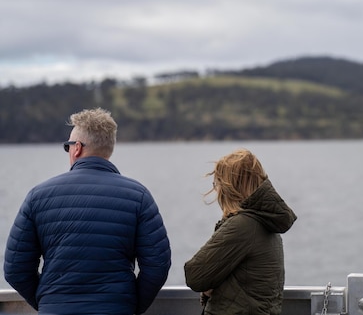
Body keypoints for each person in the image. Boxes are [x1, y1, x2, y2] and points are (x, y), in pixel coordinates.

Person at [4, 107, 171, 315]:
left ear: (77, 148)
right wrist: (131, 305)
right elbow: (158, 266)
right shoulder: (138, 196)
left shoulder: (38, 196)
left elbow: (15, 269)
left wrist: (49, 303)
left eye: (68, 146)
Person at [184, 148, 297, 315]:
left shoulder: (243, 225)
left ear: (230, 187)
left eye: (218, 183)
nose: (217, 189)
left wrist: (210, 285)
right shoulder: (266, 222)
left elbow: (195, 275)